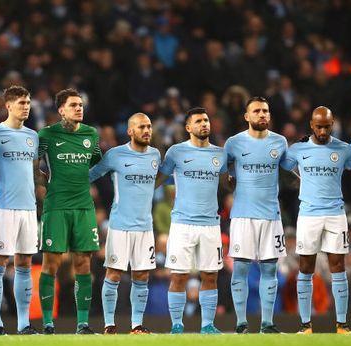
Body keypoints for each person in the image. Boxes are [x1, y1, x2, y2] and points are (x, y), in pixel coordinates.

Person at [280, 106, 351, 334]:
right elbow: (284, 165)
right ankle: (305, 325)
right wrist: (299, 180)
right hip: (308, 215)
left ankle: (342, 325)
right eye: (318, 127)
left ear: (332, 124)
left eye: (327, 126)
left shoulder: (344, 149)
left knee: (338, 267)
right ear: (311, 125)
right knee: (305, 267)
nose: (323, 131)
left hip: (336, 214)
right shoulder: (298, 149)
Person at [37, 88, 102, 334]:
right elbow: (33, 165)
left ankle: (83, 323)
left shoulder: (90, 134)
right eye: (73, 105)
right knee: (51, 263)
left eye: (81, 105)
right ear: (61, 110)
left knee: (83, 264)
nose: (79, 108)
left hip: (84, 207)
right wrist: (44, 183)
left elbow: (96, 162)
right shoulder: (47, 134)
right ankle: (47, 323)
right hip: (56, 207)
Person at [89, 113, 162, 334]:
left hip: (145, 227)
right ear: (130, 131)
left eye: (148, 126)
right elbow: (91, 175)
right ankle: (109, 325)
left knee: (142, 275)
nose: (146, 130)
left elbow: (158, 179)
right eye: (141, 127)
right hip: (120, 225)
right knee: (113, 273)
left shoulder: (155, 155)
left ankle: (136, 325)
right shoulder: (115, 155)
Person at [224, 96, 289, 334]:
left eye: (265, 111)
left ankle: (267, 323)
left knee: (269, 270)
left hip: (271, 216)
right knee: (240, 269)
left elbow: (291, 169)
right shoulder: (234, 143)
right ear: (247, 116)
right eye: (257, 111)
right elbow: (222, 169)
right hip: (243, 216)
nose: (262, 114)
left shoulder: (280, 142)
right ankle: (241, 323)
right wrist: (230, 180)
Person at [157, 107, 226, 334]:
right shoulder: (176, 152)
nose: (204, 124)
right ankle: (177, 325)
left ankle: (207, 325)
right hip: (182, 224)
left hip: (210, 224)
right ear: (188, 127)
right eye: (198, 121)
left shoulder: (220, 154)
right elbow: (160, 178)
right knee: (179, 275)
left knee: (210, 276)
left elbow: (228, 182)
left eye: (206, 120)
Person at [0, 86, 39, 335]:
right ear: (8, 106)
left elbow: (32, 170)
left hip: (28, 207)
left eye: (27, 103)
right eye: (21, 103)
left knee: (24, 262)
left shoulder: (32, 136)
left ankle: (23, 323)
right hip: (3, 207)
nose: (26, 107)